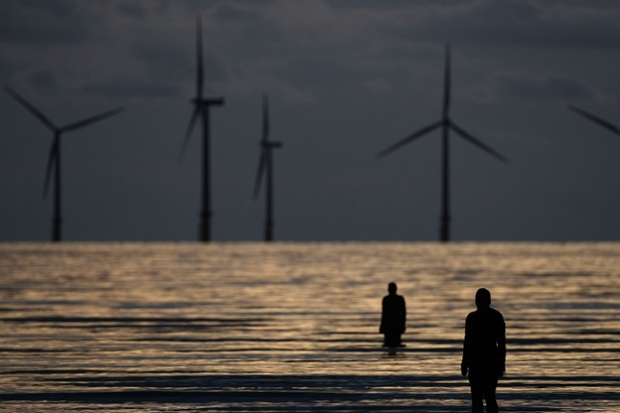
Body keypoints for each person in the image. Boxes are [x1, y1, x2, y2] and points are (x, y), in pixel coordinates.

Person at [461, 288, 506, 413]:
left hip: (481, 362)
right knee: (487, 397)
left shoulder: (474, 318)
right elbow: (501, 344)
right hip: (485, 362)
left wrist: (464, 362)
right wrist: (501, 362)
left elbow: (467, 343)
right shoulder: (494, 317)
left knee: (481, 398)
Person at [379, 282, 406, 347]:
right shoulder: (387, 299)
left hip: (395, 324)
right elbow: (384, 314)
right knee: (392, 343)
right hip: (391, 325)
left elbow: (403, 313)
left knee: (392, 343)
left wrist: (402, 324)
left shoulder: (396, 299)